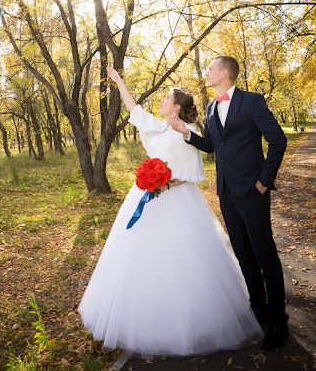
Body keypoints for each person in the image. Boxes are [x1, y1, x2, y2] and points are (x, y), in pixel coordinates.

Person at [78, 65, 263, 365]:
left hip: (177, 201)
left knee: (182, 262)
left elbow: (192, 173)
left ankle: (190, 323)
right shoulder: (158, 127)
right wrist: (118, 81)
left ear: (177, 106)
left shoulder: (189, 133)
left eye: (166, 98)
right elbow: (133, 109)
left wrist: (164, 182)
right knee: (144, 261)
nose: (161, 102)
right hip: (147, 199)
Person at [171, 55, 288, 350]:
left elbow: (278, 140)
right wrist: (187, 134)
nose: (206, 72)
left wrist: (263, 181)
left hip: (252, 191)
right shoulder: (211, 107)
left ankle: (278, 319)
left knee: (265, 254)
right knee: (243, 254)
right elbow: (211, 144)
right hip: (226, 191)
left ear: (224, 73)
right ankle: (258, 311)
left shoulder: (251, 101)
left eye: (210, 69)